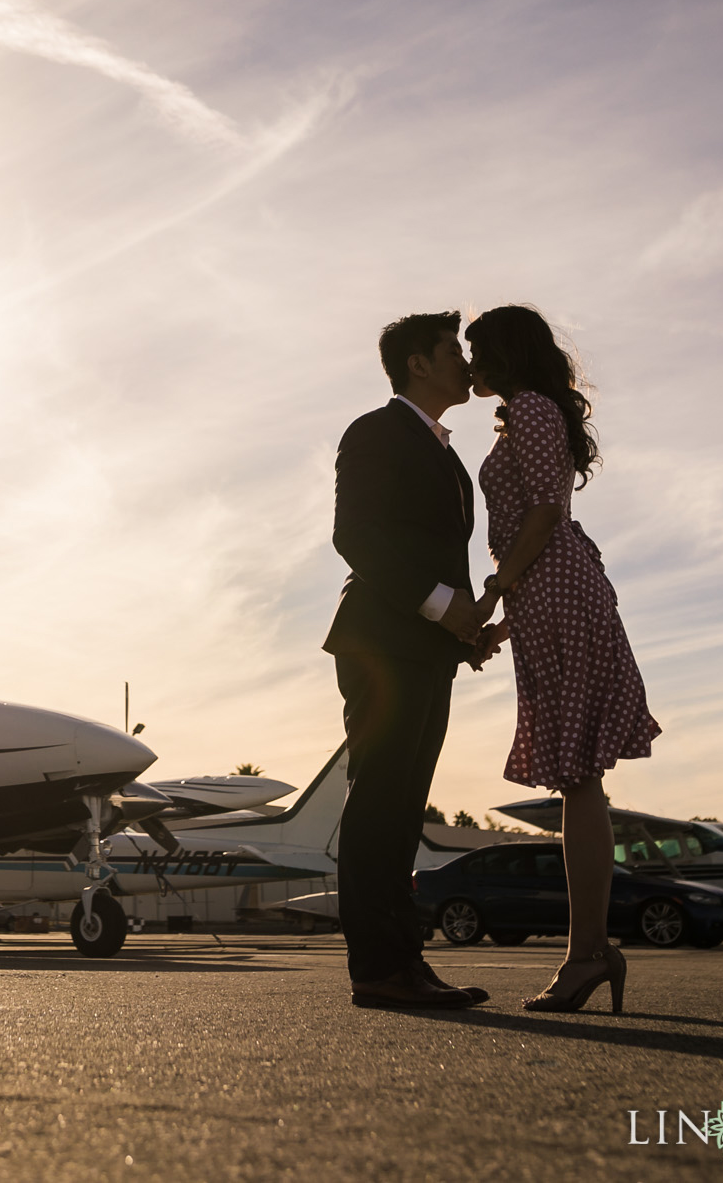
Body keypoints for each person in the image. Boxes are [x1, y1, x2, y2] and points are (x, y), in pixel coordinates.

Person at [464, 305, 660, 1014]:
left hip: (559, 595)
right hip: (547, 600)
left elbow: (546, 514)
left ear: (506, 353)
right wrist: (505, 622)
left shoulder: (535, 410)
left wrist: (492, 593)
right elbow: (537, 536)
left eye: (477, 350)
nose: (470, 363)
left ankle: (586, 954)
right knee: (577, 781)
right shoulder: (527, 414)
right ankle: (590, 951)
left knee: (579, 778)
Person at [324, 312, 496, 1010]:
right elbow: (355, 535)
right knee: (380, 802)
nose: (464, 361)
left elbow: (431, 555)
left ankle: (405, 961)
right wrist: (439, 605)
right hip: (379, 643)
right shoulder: (374, 432)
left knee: (403, 808)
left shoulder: (446, 452)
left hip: (425, 648)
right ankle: (377, 966)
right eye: (452, 349)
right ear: (418, 363)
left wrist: (462, 629)